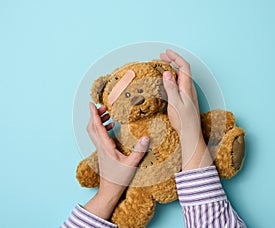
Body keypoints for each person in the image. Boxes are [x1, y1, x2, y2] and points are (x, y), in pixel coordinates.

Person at [61, 49, 246, 228]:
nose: (138, 101)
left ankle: (226, 158)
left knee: (215, 154)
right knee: (136, 204)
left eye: (140, 91)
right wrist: (191, 131)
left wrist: (107, 193)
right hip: (146, 186)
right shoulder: (122, 138)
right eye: (127, 96)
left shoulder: (165, 120)